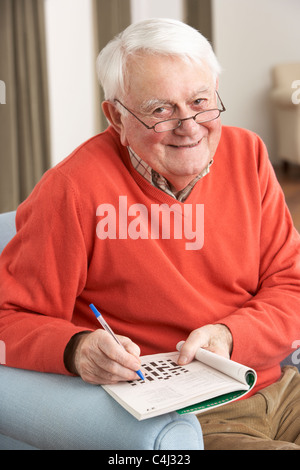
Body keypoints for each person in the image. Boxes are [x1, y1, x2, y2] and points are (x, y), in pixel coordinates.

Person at [0, 18, 300, 450]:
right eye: (161, 110)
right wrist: (76, 348)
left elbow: (289, 284)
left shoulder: (248, 154)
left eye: (200, 100)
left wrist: (231, 336)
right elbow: (9, 317)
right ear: (116, 115)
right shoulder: (72, 189)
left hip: (279, 387)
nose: (190, 125)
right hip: (188, 419)